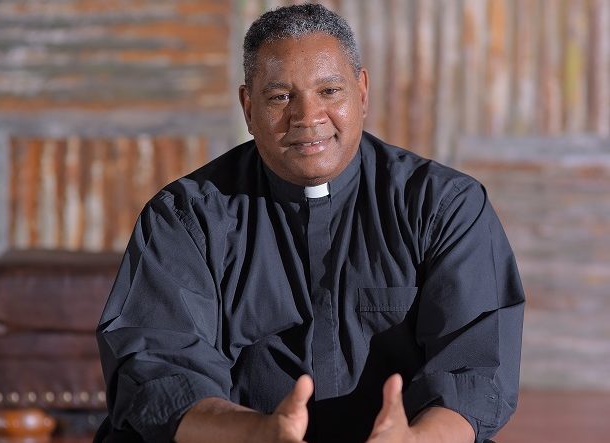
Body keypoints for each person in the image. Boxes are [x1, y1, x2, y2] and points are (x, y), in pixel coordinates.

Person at [95, 4, 525, 443]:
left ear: (362, 92)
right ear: (248, 107)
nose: (307, 116)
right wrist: (259, 433)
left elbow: (476, 368)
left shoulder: (443, 205)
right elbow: (157, 367)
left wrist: (417, 440)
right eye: (280, 97)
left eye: (330, 91)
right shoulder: (188, 216)